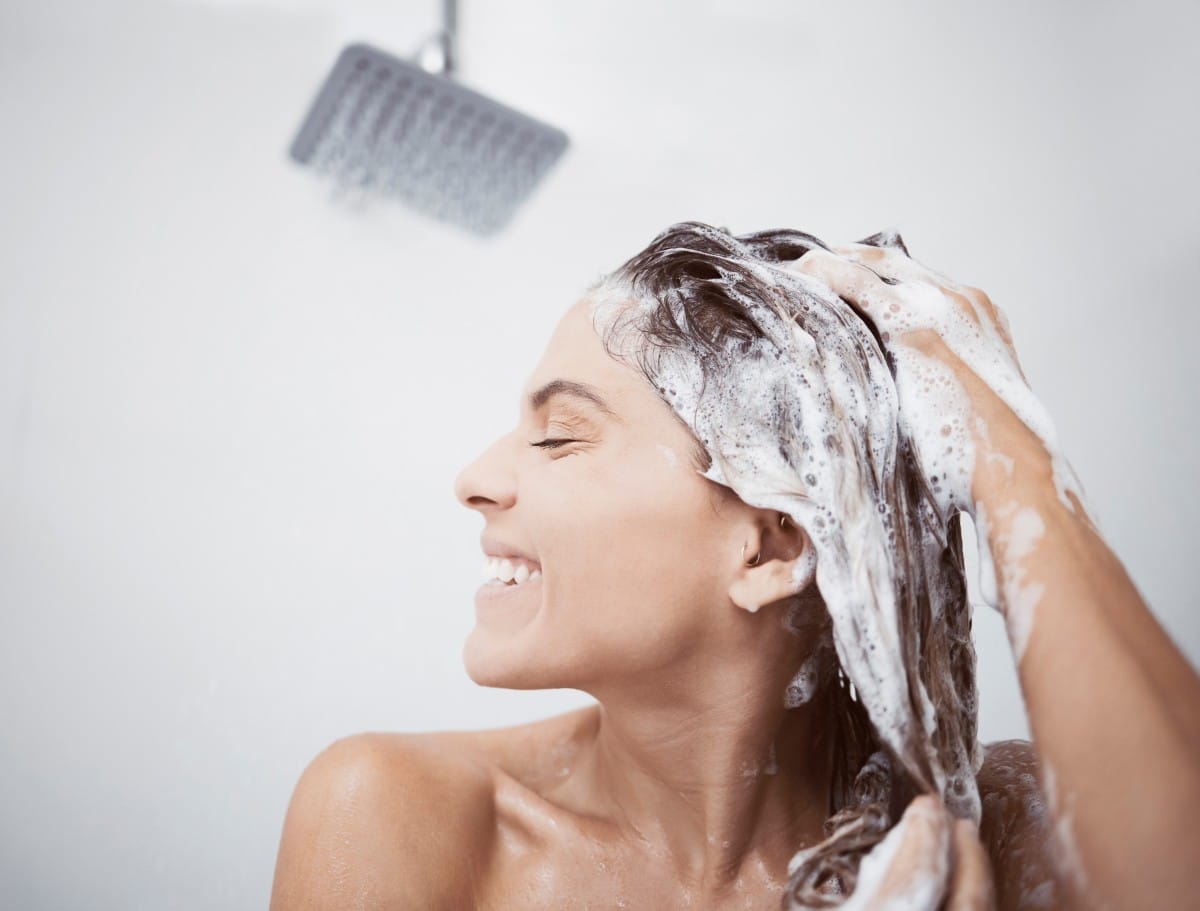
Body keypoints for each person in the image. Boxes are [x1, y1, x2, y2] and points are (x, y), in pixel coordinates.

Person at [269, 222, 1200, 910]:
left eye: (558, 436)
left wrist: (1014, 467)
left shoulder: (994, 828)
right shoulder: (398, 820)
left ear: (769, 545)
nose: (474, 479)